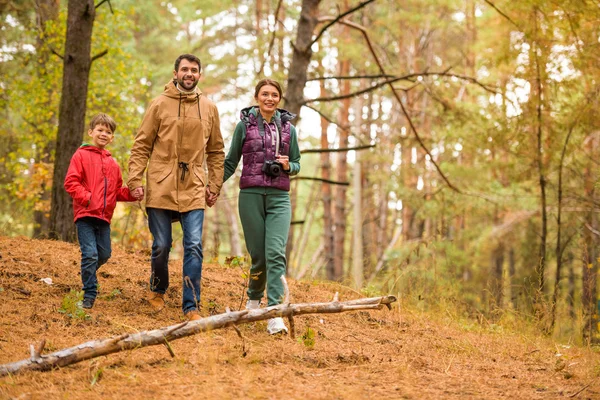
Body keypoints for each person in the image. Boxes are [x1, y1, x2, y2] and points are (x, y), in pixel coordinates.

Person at [128, 53, 225, 321]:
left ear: (200, 75)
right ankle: (158, 289)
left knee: (193, 245)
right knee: (161, 244)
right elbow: (141, 145)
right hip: (161, 183)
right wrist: (135, 179)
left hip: (193, 184)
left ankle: (191, 305)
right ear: (175, 73)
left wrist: (214, 184)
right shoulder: (159, 105)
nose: (189, 74)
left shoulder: (209, 107)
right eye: (184, 69)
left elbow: (216, 151)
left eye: (194, 70)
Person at [220, 78, 301, 334]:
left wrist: (289, 166)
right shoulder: (244, 126)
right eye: (264, 94)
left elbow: (297, 163)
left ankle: (274, 312)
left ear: (279, 99)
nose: (269, 98)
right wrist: (211, 186)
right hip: (250, 195)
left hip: (279, 198)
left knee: (275, 252)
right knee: (259, 257)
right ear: (257, 97)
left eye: (274, 94)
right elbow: (231, 161)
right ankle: (253, 301)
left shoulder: (290, 129)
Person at [64, 113, 139, 309]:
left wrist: (134, 193)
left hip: (104, 218)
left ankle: (87, 273)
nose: (104, 134)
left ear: (112, 137)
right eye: (100, 130)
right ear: (91, 132)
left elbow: (117, 191)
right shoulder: (81, 155)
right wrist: (87, 198)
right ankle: (89, 294)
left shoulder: (113, 164)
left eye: (108, 132)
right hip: (86, 215)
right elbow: (71, 182)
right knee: (90, 254)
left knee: (104, 254)